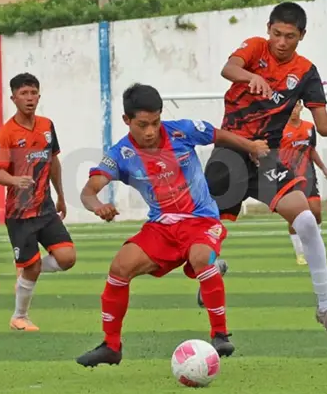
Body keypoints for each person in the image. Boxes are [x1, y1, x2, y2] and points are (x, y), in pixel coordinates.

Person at [202, 1, 327, 343]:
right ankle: (209, 271)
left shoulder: (306, 72)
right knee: (204, 233)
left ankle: (325, 308)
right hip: (231, 149)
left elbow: (323, 123)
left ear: (301, 36)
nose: (281, 42)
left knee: (306, 220)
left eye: (290, 36)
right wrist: (253, 76)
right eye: (277, 33)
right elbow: (228, 69)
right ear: (268, 29)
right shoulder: (254, 48)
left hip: (266, 156)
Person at [76, 83, 269, 367]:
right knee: (120, 267)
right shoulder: (120, 154)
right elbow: (88, 191)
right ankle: (111, 346)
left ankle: (219, 335)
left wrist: (250, 146)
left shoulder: (181, 130)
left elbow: (217, 134)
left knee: (200, 256)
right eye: (142, 125)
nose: (151, 131)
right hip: (162, 227)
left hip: (201, 220)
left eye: (155, 122)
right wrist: (98, 207)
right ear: (126, 120)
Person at [0, 73, 76, 332]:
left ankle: (29, 270)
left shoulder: (46, 125)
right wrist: (15, 181)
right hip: (20, 214)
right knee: (33, 266)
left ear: (39, 96)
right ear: (13, 98)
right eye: (24, 94)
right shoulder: (6, 133)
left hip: (46, 209)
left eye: (33, 93)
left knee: (67, 257)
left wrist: (61, 195)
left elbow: (53, 162)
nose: (29, 98)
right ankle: (19, 316)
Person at [280, 100, 327, 265]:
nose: (294, 109)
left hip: (308, 175)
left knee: (316, 211)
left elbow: (312, 151)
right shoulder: (280, 129)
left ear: (301, 108)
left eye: (296, 106)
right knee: (295, 216)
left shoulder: (309, 127)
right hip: (289, 178)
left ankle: (317, 247)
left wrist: (323, 168)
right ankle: (300, 253)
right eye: (291, 106)